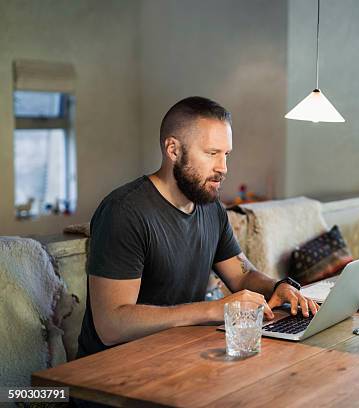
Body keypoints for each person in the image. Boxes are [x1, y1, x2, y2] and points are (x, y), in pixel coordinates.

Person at [76, 96, 319, 360]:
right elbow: (110, 326)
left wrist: (278, 287)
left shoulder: (210, 208)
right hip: (113, 370)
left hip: (178, 355)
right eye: (211, 153)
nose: (223, 168)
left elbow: (242, 275)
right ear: (173, 150)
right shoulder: (124, 212)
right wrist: (212, 310)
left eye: (226, 154)